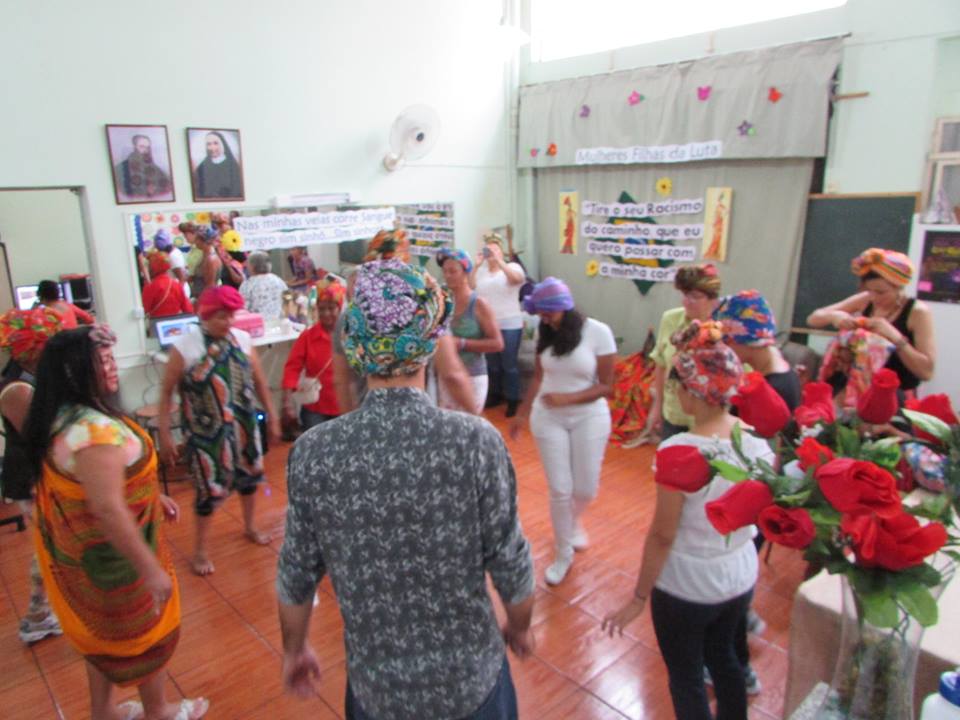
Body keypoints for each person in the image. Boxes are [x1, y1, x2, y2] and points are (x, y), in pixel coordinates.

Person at [277, 259, 535, 720]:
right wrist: (520, 627)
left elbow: (296, 572)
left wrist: (294, 649)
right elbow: (511, 562)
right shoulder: (474, 442)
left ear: (355, 345)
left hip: (378, 693)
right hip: (472, 685)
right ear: (430, 343)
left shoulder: (315, 453)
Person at [23, 325, 208, 720]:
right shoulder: (92, 433)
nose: (111, 367)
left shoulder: (69, 415)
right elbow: (107, 507)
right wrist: (149, 569)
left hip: (93, 559)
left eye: (111, 358)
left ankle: (104, 710)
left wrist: (151, 496)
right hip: (114, 564)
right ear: (75, 370)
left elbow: (103, 483)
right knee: (146, 635)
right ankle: (158, 711)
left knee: (102, 639)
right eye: (102, 360)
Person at [602, 320, 773, 720]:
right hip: (738, 574)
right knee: (726, 658)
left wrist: (638, 598)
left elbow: (663, 534)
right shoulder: (757, 443)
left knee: (686, 676)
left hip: (688, 584)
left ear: (692, 393)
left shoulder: (680, 450)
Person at [157, 287, 280, 576]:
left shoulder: (242, 340)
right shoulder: (185, 347)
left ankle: (250, 526)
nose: (228, 322)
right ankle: (200, 551)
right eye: (221, 316)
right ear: (206, 315)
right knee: (207, 490)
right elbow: (166, 392)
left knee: (249, 478)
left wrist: (272, 415)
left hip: (243, 425)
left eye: (231, 316)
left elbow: (260, 382)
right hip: (205, 432)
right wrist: (164, 434)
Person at [509, 277, 616, 585]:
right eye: (540, 314)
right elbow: (539, 377)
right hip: (548, 418)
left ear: (564, 308)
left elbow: (607, 387)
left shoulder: (598, 332)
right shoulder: (546, 332)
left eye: (548, 313)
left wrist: (568, 398)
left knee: (585, 489)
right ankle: (562, 553)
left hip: (589, 417)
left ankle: (572, 522)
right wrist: (521, 413)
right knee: (560, 489)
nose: (544, 319)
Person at [332, 231, 477, 415]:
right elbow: (452, 373)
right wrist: (477, 418)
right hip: (420, 418)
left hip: (369, 417)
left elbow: (341, 381)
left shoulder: (350, 317)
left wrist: (350, 424)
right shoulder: (426, 309)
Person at [0, 307, 64, 644]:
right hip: (32, 476)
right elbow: (39, 437)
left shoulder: (34, 378)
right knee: (51, 544)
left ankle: (40, 612)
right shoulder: (16, 390)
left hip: (42, 472)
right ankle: (38, 615)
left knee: (51, 544)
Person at [807, 248, 935, 397]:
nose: (874, 297)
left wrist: (895, 337)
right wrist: (835, 316)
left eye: (881, 292)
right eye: (869, 290)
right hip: (856, 389)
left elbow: (926, 372)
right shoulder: (866, 300)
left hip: (892, 395)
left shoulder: (918, 312)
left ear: (899, 287)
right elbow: (813, 319)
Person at [649, 264, 722, 440]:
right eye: (685, 295)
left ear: (713, 300)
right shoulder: (671, 319)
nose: (687, 301)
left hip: (711, 422)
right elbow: (661, 364)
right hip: (674, 416)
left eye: (695, 297)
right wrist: (657, 408)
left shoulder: (724, 327)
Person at [436, 247, 503, 414]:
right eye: (445, 271)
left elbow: (497, 343)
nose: (447, 275)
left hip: (473, 375)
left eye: (453, 271)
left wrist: (461, 343)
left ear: (465, 272)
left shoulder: (479, 304)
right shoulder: (443, 304)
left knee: (470, 423)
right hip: (446, 375)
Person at [716, 289, 801, 410]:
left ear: (748, 341)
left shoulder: (772, 391)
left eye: (726, 341)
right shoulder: (778, 369)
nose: (723, 348)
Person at [470, 233, 526, 417]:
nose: (492, 252)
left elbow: (517, 280)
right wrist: (476, 266)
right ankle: (494, 395)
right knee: (492, 364)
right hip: (488, 324)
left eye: (495, 249)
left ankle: (512, 399)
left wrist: (500, 262)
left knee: (509, 363)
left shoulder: (512, 267)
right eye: (489, 250)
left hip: (510, 323)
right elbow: (470, 287)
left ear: (502, 252)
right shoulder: (482, 272)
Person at [281, 280, 345, 430]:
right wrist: (287, 401)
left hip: (345, 406)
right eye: (321, 309)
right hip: (314, 407)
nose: (326, 313)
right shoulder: (307, 337)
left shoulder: (351, 336)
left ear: (340, 308)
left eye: (331, 308)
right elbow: (292, 368)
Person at [114, 133, 172, 201]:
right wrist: (146, 190)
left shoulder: (153, 166)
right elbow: (125, 192)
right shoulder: (121, 168)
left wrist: (155, 189)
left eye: (147, 147)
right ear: (134, 146)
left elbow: (168, 185)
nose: (145, 150)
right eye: (142, 146)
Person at [142, 252, 194, 319]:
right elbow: (188, 309)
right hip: (175, 322)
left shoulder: (150, 287)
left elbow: (144, 310)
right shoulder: (176, 285)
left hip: (156, 322)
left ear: (152, 268)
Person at [193, 131, 243, 200]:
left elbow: (237, 191)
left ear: (222, 144)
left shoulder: (232, 166)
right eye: (208, 144)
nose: (212, 147)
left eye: (216, 143)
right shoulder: (201, 167)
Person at [239, 251, 288, 320]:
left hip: (257, 323)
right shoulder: (278, 280)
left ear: (252, 266)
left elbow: (243, 308)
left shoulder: (247, 284)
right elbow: (287, 301)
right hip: (279, 321)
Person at [152, 229, 190, 298]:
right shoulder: (171, 253)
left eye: (159, 249)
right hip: (174, 290)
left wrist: (178, 295)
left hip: (179, 292)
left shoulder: (173, 256)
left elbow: (182, 278)